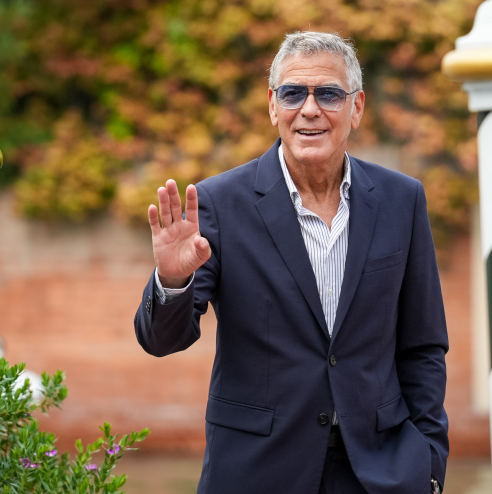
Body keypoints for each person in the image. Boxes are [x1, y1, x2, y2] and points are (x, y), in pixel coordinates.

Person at [134, 31, 449, 494]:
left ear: (356, 107)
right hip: (258, 471)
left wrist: (428, 463)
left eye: (328, 94)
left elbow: (423, 346)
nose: (309, 109)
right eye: (293, 93)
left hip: (380, 472)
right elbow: (162, 341)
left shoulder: (403, 200)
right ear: (272, 105)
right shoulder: (219, 204)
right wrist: (173, 278)